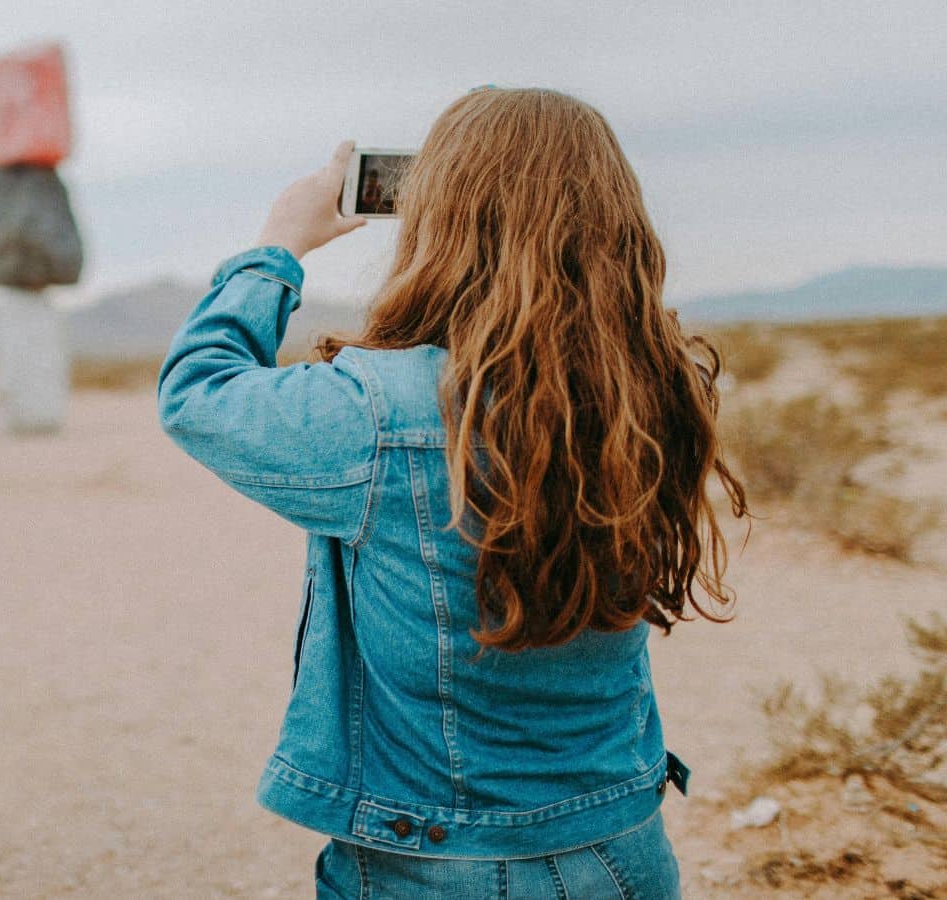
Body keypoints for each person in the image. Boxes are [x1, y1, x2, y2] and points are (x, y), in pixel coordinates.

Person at [158, 88, 748, 898]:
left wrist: (280, 243)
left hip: (437, 867)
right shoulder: (655, 389)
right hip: (623, 850)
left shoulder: (374, 411)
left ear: (440, 219)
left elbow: (198, 392)